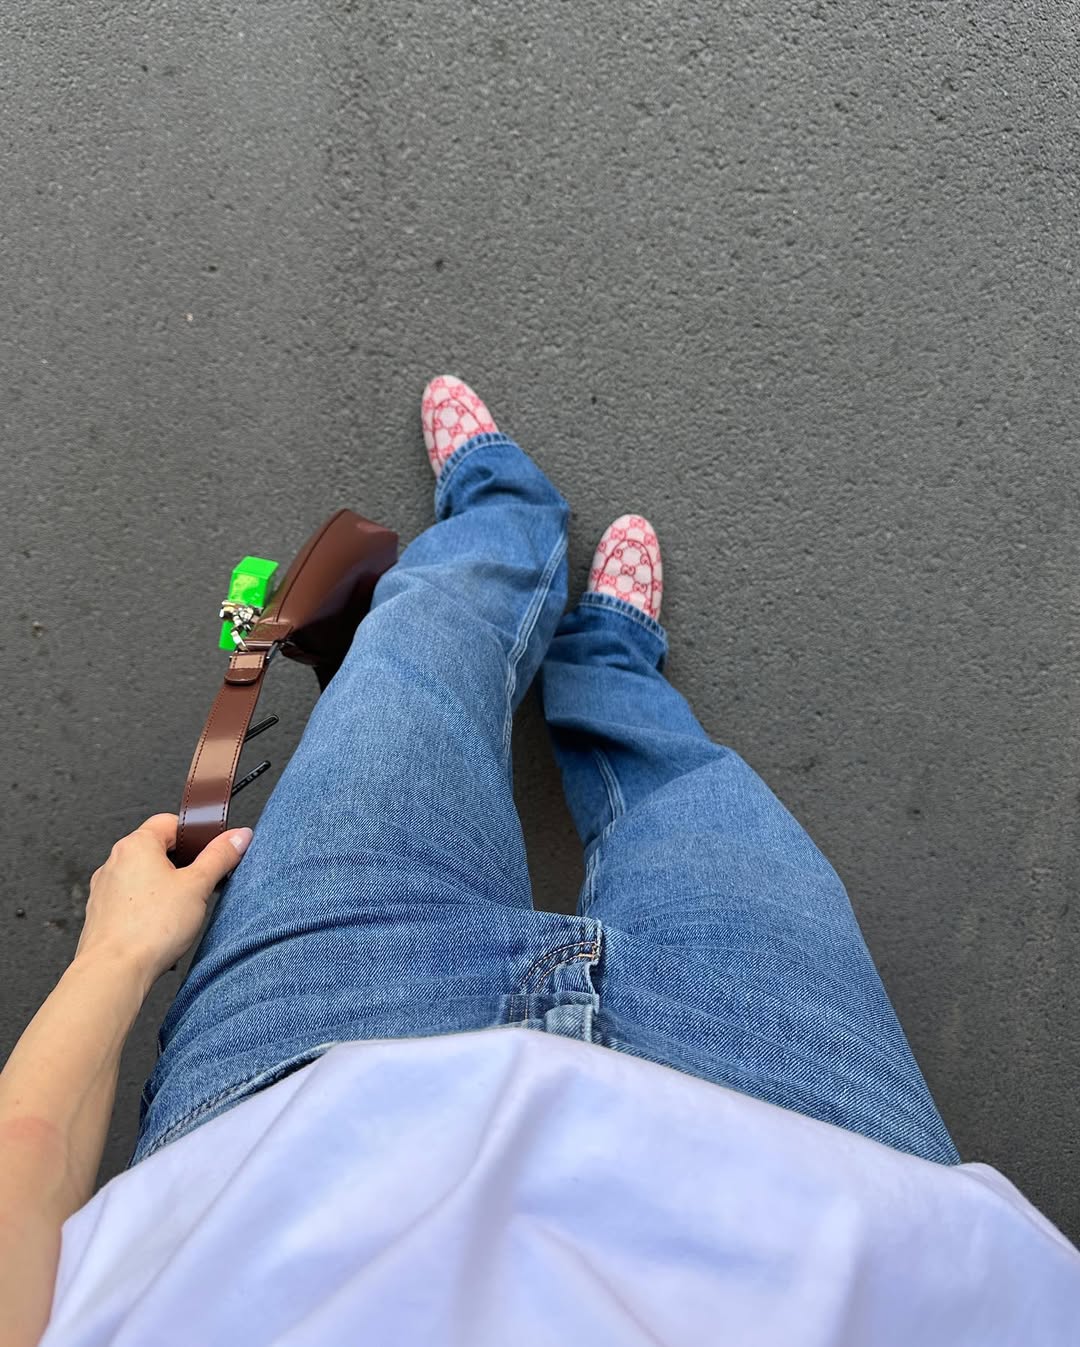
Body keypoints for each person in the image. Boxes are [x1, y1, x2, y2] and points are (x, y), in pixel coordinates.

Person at [2, 377, 1077, 1347]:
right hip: (827, 1167)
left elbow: (18, 1194)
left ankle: (508, 514)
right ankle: (609, 659)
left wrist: (118, 952)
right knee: (687, 786)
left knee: (410, 662)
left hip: (301, 1090)